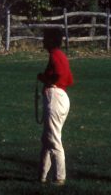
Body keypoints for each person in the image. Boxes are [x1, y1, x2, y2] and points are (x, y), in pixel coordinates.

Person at [37, 26, 74, 185]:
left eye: (46, 38)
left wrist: (45, 79)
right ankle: (42, 175)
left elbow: (59, 75)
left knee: (53, 139)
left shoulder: (55, 56)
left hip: (55, 97)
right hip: (60, 96)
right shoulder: (60, 55)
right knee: (47, 139)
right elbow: (69, 79)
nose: (43, 41)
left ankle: (60, 177)